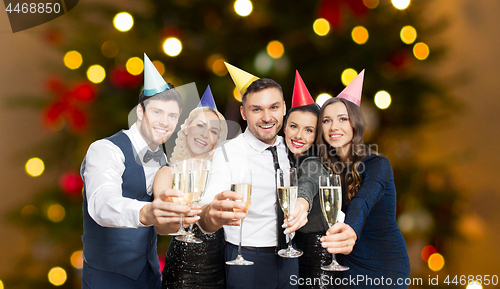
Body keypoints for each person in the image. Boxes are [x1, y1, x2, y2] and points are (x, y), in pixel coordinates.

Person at [80, 54, 200, 289]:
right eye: (157, 112)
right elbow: (101, 204)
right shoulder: (105, 149)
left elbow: (164, 217)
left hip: (150, 276)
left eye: (172, 115)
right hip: (107, 278)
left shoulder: (163, 159)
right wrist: (146, 212)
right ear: (140, 112)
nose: (165, 122)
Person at [198, 63, 309, 289]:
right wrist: (212, 214)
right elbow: (205, 213)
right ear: (243, 113)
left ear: (284, 108)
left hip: (291, 257)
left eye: (274, 107)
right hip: (246, 259)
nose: (267, 117)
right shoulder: (228, 153)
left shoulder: (293, 146)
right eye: (256, 109)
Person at [304, 70, 411, 288]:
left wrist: (351, 229)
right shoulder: (322, 167)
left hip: (385, 264)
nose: (334, 127)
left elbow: (364, 200)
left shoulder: (378, 164)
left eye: (342, 119)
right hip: (347, 265)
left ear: (355, 123)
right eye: (327, 120)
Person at [153, 86, 228, 289]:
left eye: (213, 131)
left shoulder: (223, 177)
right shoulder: (167, 174)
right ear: (186, 127)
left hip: (221, 269)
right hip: (182, 270)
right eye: (200, 125)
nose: (205, 134)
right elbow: (160, 227)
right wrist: (173, 215)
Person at [282, 71, 340, 289]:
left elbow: (309, 182)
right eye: (294, 126)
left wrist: (301, 204)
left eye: (309, 130)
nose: (299, 136)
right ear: (284, 126)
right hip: (294, 258)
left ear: (317, 136)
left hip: (318, 257)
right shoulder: (282, 159)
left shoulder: (315, 161)